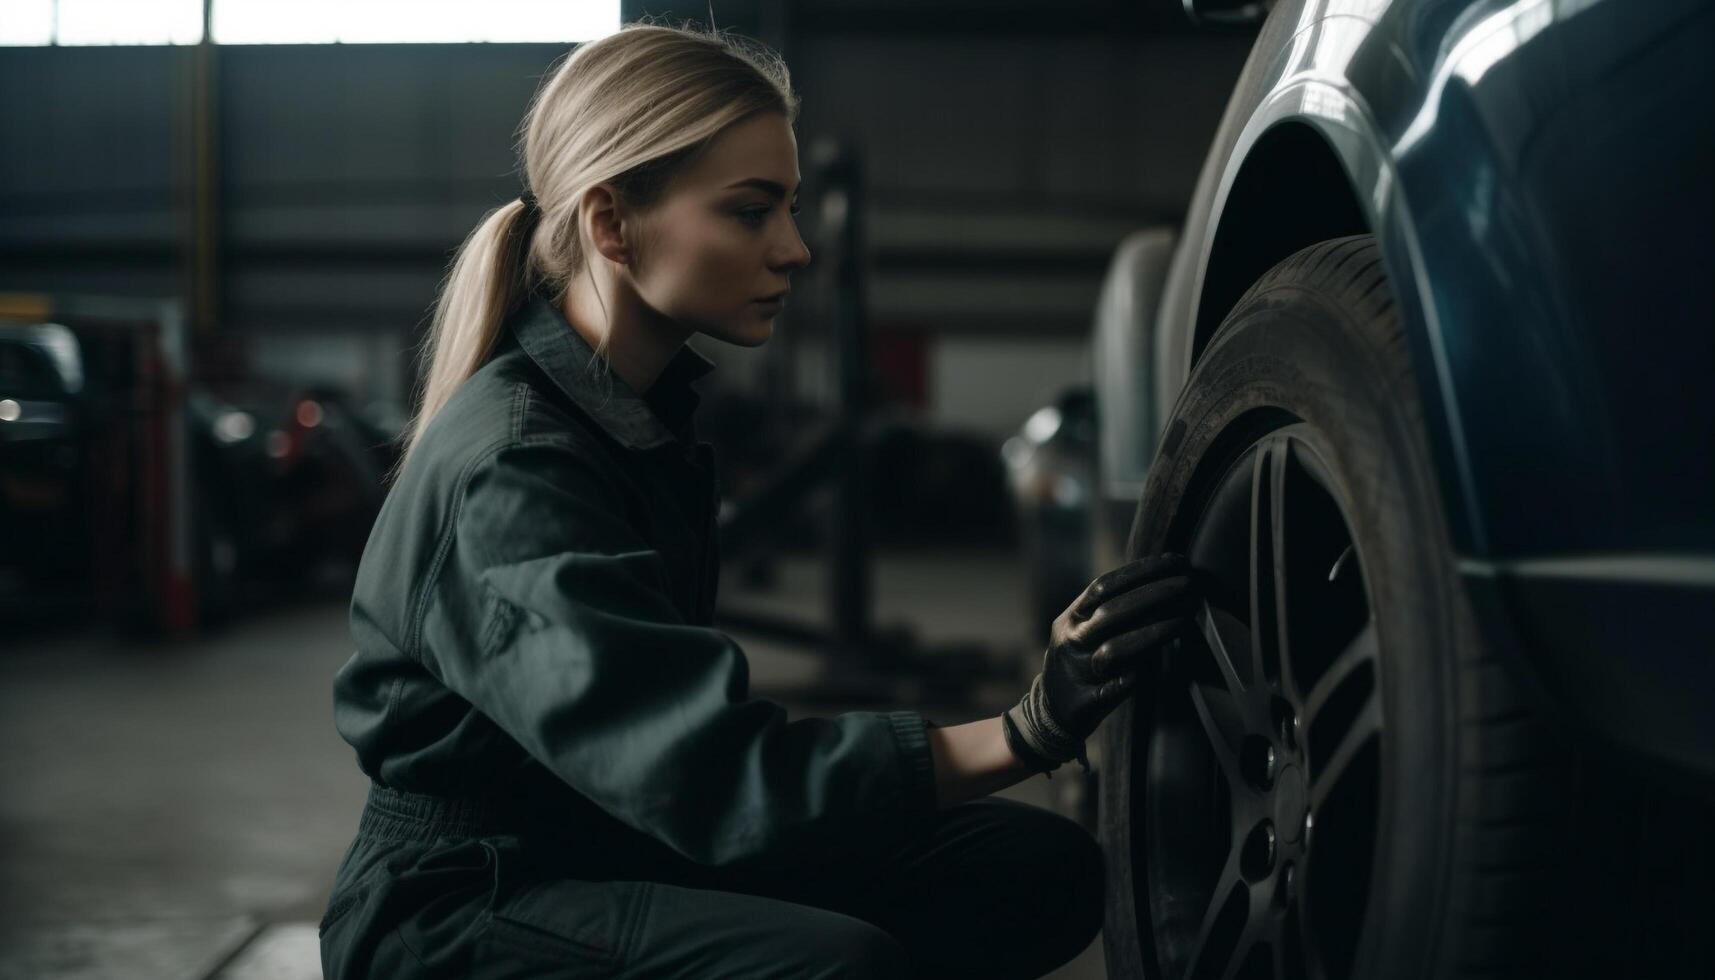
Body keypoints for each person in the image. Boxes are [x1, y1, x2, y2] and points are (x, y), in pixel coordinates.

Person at [318, 23, 1195, 980]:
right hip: (457, 908)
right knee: (833, 967)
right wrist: (1026, 729)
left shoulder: (629, 419)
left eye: (789, 208)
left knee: (1035, 868)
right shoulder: (518, 466)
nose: (796, 250)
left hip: (605, 836)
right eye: (750, 212)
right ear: (612, 224)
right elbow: (707, 780)